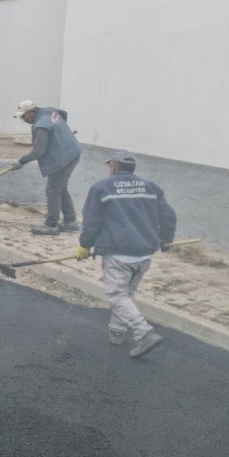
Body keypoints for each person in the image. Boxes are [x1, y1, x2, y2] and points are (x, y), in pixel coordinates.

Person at [75, 150, 177, 358]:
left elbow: (92, 220)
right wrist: (166, 240)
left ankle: (144, 333)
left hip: (119, 254)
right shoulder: (151, 187)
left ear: (113, 166)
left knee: (116, 295)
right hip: (144, 253)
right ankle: (117, 332)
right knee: (127, 293)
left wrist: (85, 245)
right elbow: (169, 216)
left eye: (109, 165)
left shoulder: (101, 187)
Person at [13, 100, 82, 235]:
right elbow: (63, 114)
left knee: (52, 190)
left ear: (32, 112)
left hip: (63, 158)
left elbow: (39, 151)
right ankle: (70, 222)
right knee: (60, 188)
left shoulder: (41, 126)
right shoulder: (48, 110)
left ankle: (51, 225)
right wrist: (61, 132)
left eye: (24, 116)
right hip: (72, 151)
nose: (23, 119)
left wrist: (22, 161)